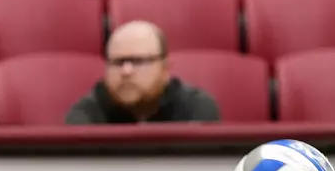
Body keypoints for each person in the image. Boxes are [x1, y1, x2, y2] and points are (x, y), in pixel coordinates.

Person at [66, 21, 222, 124]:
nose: (126, 71)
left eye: (138, 61)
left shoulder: (196, 109)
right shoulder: (86, 116)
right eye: (117, 63)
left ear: (165, 68)